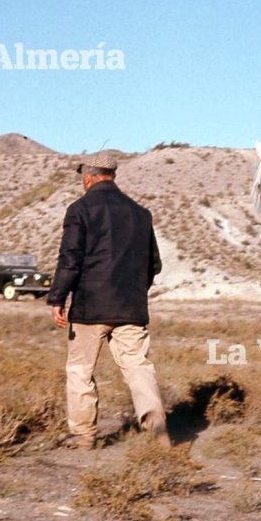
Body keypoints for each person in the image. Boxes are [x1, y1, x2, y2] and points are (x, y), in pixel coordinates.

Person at [46, 151, 169, 450]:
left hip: (90, 308)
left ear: (87, 177)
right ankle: (158, 431)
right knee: (138, 367)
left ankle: (84, 437)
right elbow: (154, 264)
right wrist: (135, 290)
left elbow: (70, 259)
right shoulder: (141, 213)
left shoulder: (79, 209)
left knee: (80, 371)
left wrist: (58, 298)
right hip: (131, 308)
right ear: (112, 176)